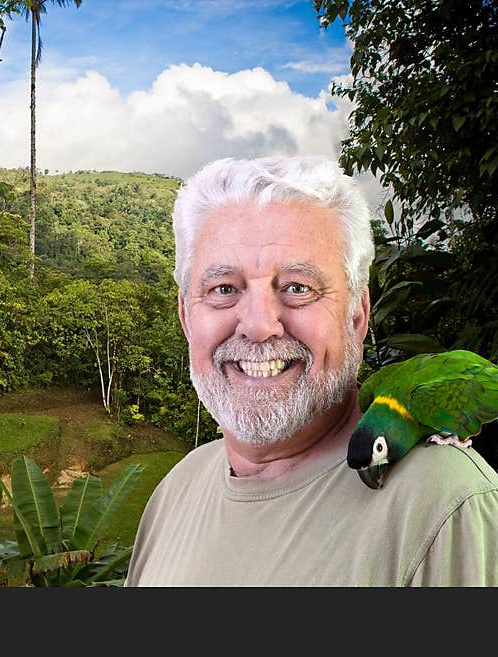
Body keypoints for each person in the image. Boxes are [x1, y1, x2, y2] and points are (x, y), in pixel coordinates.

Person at [125, 156, 498, 586]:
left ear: (356, 317)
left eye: (298, 288)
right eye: (224, 289)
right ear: (187, 317)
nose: (260, 326)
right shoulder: (175, 493)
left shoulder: (444, 508)